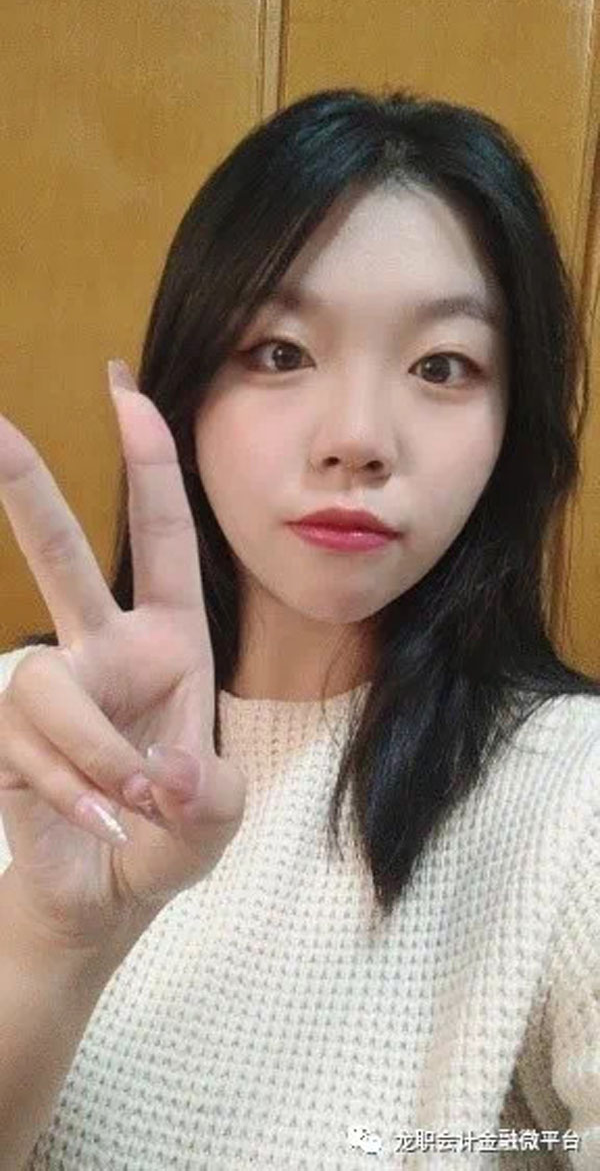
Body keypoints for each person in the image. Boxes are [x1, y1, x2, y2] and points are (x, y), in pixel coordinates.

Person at [0, 85, 599, 1170]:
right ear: (188, 392)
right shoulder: (29, 741)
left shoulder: (575, 793)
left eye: (442, 365)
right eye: (280, 352)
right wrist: (48, 938)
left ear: (512, 427)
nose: (358, 438)